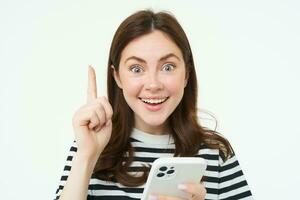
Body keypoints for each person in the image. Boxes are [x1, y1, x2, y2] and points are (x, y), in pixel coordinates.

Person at [54, 10, 253, 200]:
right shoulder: (91, 147)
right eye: (136, 68)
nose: (153, 85)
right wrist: (87, 157)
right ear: (117, 77)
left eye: (168, 67)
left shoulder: (216, 154)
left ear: (187, 74)